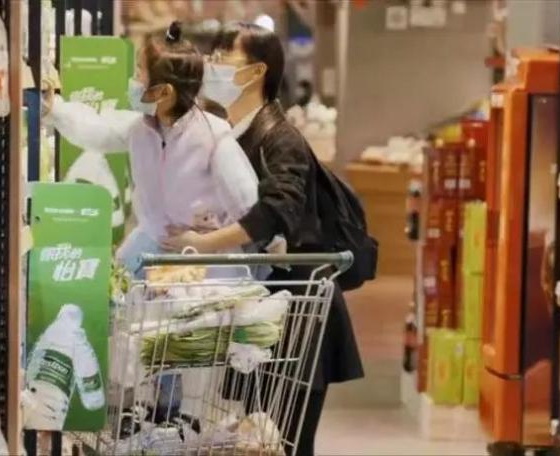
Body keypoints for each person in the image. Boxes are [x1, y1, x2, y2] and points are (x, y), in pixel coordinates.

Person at [162, 22, 364, 456]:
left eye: (223, 59)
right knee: (257, 439)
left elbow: (276, 212)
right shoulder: (229, 130)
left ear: (256, 72)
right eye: (211, 57)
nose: (212, 66)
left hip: (297, 308)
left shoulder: (279, 137)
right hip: (264, 306)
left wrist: (205, 243)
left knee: (284, 440)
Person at [43, 22, 258, 277]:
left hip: (205, 269)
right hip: (150, 253)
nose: (133, 82)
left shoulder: (214, 138)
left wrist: (204, 242)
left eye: (138, 73)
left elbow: (254, 215)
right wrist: (54, 108)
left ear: (164, 92)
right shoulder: (140, 129)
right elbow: (99, 130)